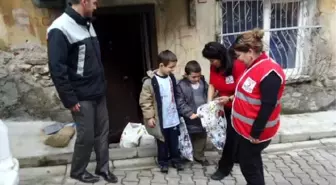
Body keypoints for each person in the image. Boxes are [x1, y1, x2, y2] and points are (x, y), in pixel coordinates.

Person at [47, 0, 117, 183]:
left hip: (98, 92)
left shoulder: (87, 23)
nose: (96, 6)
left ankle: (103, 169)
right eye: (93, 2)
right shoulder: (60, 28)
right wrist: (69, 99)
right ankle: (78, 171)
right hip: (80, 95)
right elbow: (57, 69)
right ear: (84, 2)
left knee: (103, 133)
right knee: (86, 137)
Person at [230, 28, 286, 185]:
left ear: (249, 51)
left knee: (248, 166)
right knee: (253, 162)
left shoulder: (270, 72)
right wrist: (229, 98)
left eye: (239, 55)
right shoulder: (255, 65)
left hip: (256, 133)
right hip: (247, 130)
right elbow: (250, 95)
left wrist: (256, 133)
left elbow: (268, 105)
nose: (238, 59)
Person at [202, 41, 246, 180]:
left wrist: (230, 98)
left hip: (238, 106)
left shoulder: (237, 65)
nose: (211, 63)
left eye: (213, 60)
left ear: (221, 56)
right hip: (223, 106)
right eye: (209, 60)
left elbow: (243, 89)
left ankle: (224, 168)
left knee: (231, 139)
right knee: (229, 134)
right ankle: (238, 156)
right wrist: (209, 103)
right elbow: (212, 85)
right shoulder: (214, 66)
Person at [139, 50, 184, 173]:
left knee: (174, 141)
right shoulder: (150, 81)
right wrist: (150, 117)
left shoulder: (171, 78)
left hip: (173, 117)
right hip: (160, 119)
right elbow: (145, 101)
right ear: (161, 65)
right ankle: (163, 162)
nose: (173, 70)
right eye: (171, 67)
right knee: (162, 143)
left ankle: (176, 160)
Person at [176, 60, 209, 166]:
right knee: (188, 137)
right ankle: (187, 156)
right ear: (186, 75)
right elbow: (180, 102)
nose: (197, 79)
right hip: (189, 117)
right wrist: (189, 113)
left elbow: (208, 94)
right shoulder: (181, 85)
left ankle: (199, 156)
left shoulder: (203, 82)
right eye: (193, 77)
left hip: (202, 116)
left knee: (202, 136)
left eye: (198, 76)